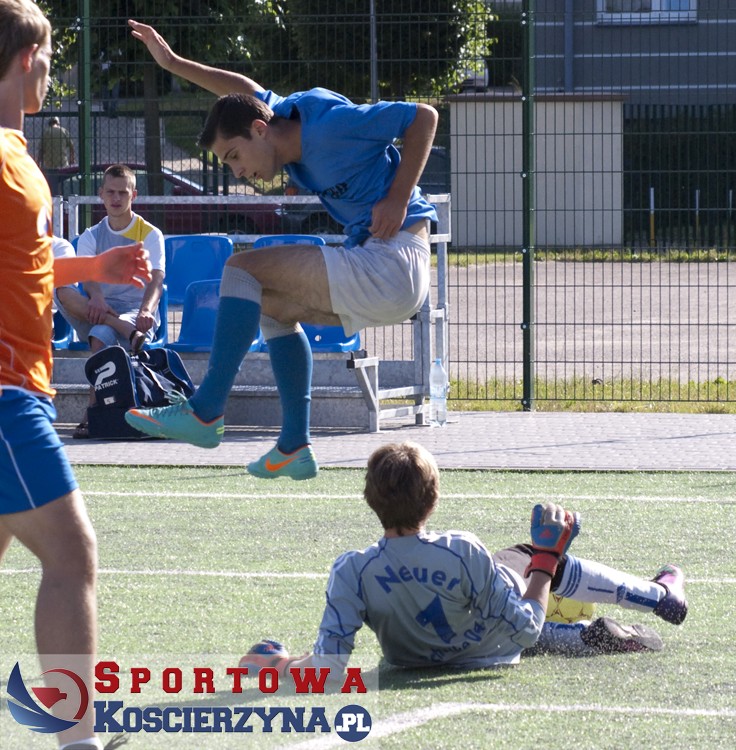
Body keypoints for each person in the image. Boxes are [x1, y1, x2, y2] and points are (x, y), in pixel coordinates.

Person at [124, 20, 439, 480]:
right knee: (270, 304)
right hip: (382, 265)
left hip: (393, 262)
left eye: (234, 156)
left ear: (260, 130)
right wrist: (172, 63)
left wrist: (398, 197)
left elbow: (423, 117)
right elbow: (241, 90)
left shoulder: (329, 127)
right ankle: (294, 445)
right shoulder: (280, 116)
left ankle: (205, 411)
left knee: (241, 270)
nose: (237, 172)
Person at [0, 3, 152, 749]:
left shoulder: (16, 155)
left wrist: (96, 266)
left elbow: (24, 264)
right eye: (52, 60)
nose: (53, 74)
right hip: (5, 394)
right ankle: (79, 740)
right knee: (72, 554)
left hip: (17, 386)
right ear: (29, 58)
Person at [240, 442, 688, 677]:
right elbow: (525, 629)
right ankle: (659, 596)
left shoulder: (350, 570)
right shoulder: (462, 549)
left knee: (494, 608)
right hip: (492, 653)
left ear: (369, 499)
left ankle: (575, 636)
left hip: (412, 661)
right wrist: (547, 559)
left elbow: (327, 668)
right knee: (523, 557)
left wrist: (281, 666)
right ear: (433, 500)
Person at [55, 163, 165, 439]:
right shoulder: (91, 235)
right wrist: (97, 297)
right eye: (111, 192)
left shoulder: (150, 234)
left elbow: (156, 280)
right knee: (62, 292)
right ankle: (117, 327)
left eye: (122, 193)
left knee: (100, 336)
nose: (116, 198)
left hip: (135, 314)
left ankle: (92, 411)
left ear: (133, 195)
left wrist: (146, 311)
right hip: (97, 309)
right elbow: (88, 275)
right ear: (101, 194)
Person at [37, 115, 75, 193]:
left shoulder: (46, 132)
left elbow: (41, 149)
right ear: (58, 123)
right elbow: (71, 147)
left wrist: (38, 162)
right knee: (63, 185)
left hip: (49, 163)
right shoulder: (63, 131)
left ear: (49, 123)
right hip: (63, 163)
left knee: (52, 186)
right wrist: (72, 158)